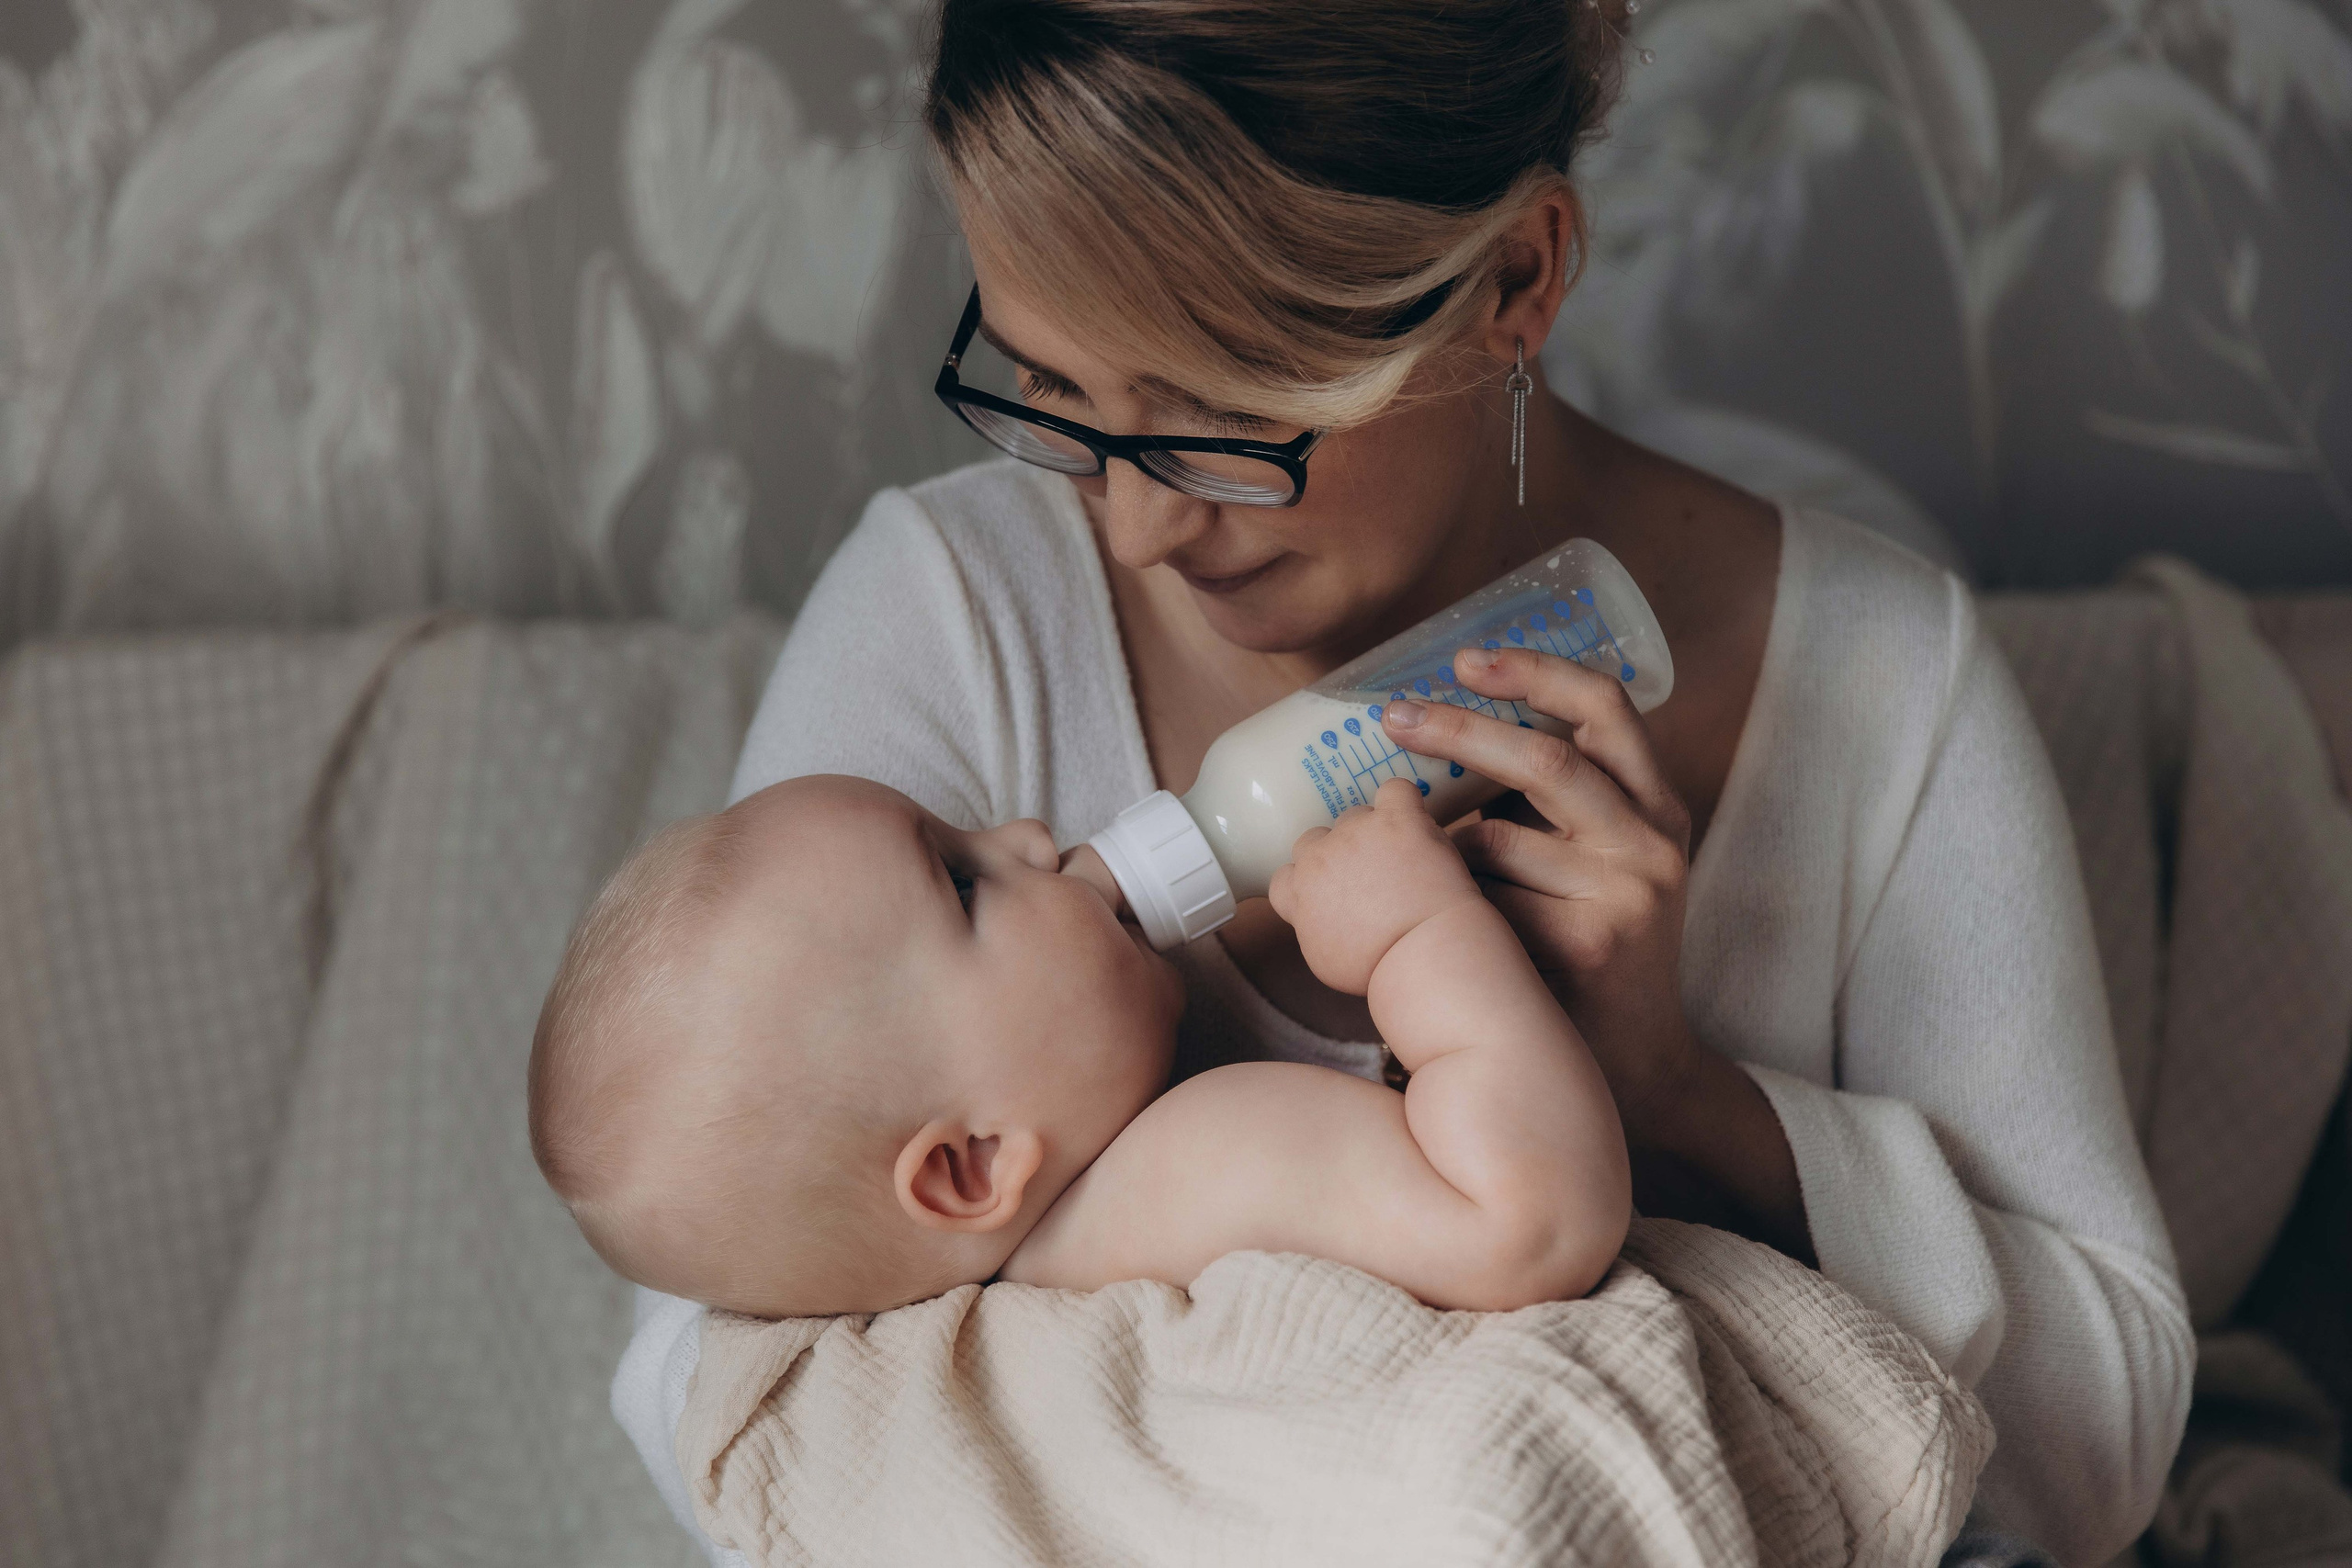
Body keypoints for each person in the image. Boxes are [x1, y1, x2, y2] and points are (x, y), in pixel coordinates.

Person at [616, 1, 2191, 1560]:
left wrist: (1680, 1100)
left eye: (1228, 417)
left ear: (1519, 274)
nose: (1135, 532)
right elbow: (712, 1386)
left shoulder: (1878, 679)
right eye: (1059, 396)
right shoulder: (961, 612)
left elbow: (2098, 1454)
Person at [528, 773, 1629, 1316]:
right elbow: (1532, 1225)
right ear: (973, 1166)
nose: (1029, 838)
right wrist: (1419, 932)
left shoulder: (1070, 1263)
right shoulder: (1198, 1158)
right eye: (966, 881)